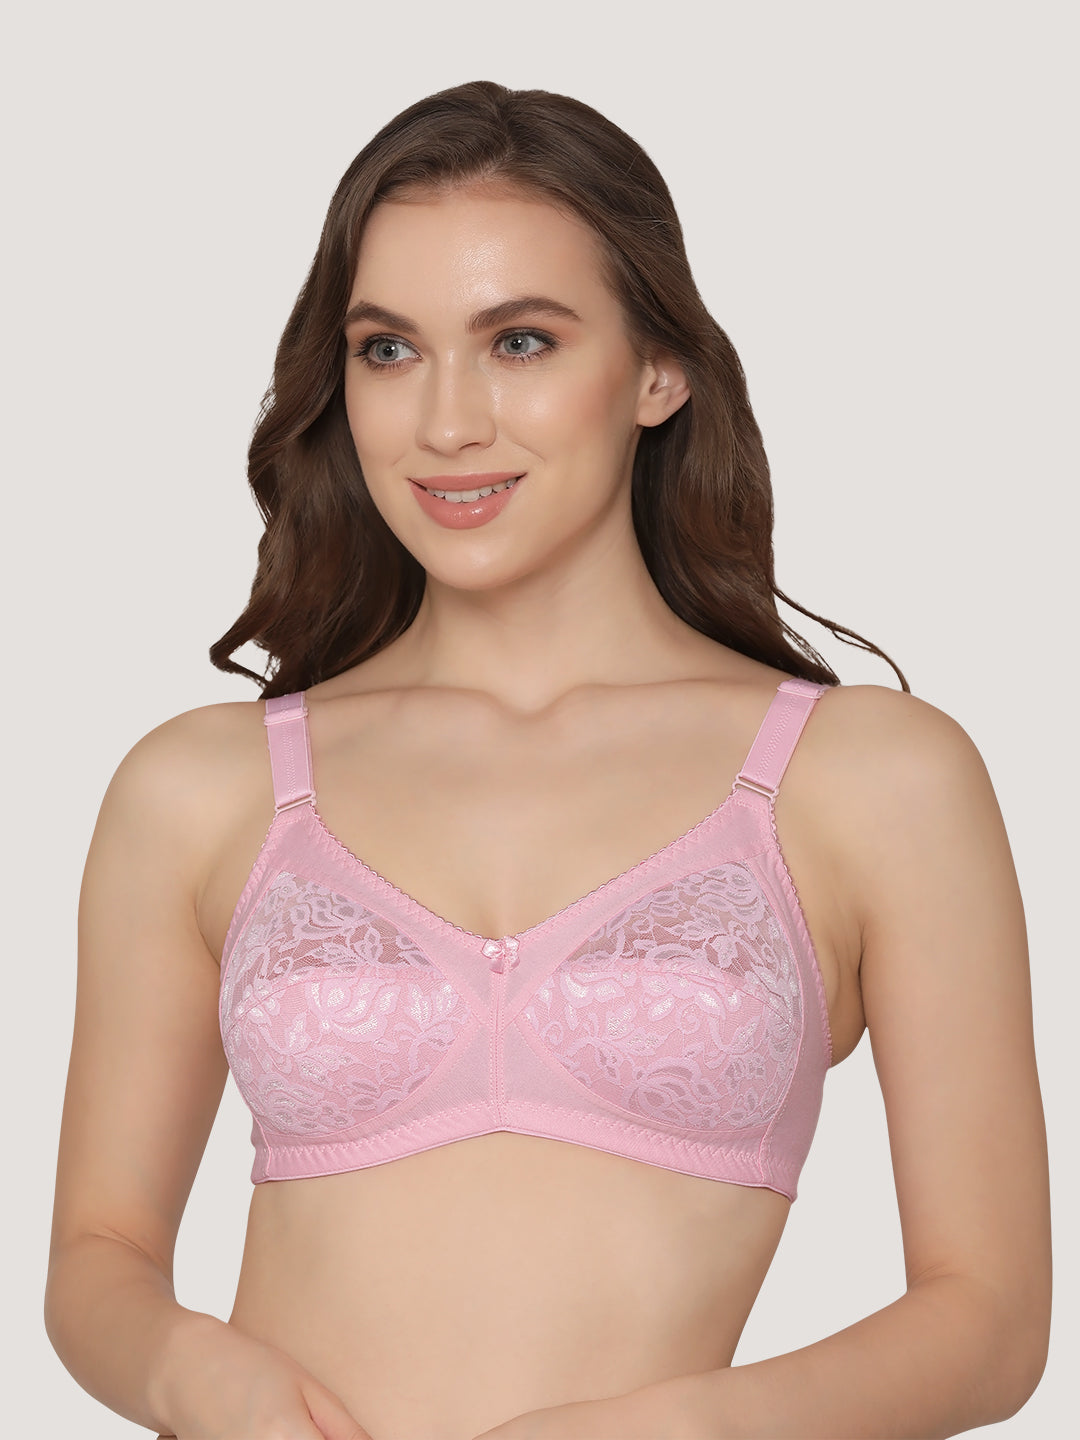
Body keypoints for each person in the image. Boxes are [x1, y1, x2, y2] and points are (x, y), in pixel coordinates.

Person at [44, 80, 1050, 1440]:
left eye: (519, 341)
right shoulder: (203, 789)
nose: (446, 421)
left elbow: (990, 1320)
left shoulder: (870, 779)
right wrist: (196, 1375)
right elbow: (97, 1256)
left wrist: (677, 1433)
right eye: (388, 350)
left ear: (659, 370)